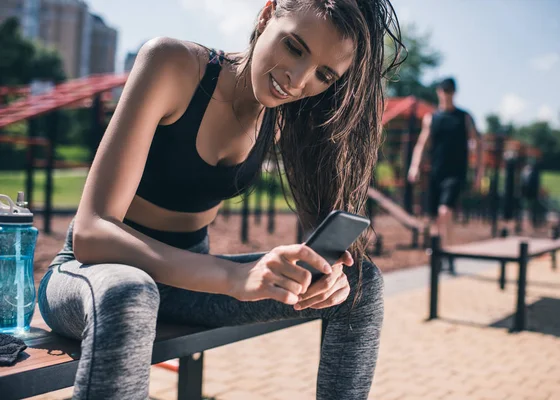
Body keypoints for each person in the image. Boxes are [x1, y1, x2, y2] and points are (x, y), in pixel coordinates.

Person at [37, 1, 404, 399]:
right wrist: (235, 278)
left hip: (187, 287)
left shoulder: (282, 116)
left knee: (360, 287)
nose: (297, 81)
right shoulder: (173, 64)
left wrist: (324, 277)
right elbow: (93, 234)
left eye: (323, 74)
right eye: (295, 48)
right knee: (131, 291)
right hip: (93, 275)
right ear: (268, 14)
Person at [407, 77, 483, 248]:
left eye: (449, 91)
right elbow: (421, 144)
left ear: (454, 93)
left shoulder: (464, 117)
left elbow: (479, 143)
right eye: (443, 90)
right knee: (434, 217)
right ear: (438, 92)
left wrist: (479, 173)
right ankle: (439, 252)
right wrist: (414, 166)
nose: (446, 94)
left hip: (456, 173)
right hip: (436, 172)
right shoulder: (431, 118)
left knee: (445, 211)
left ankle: (447, 251)